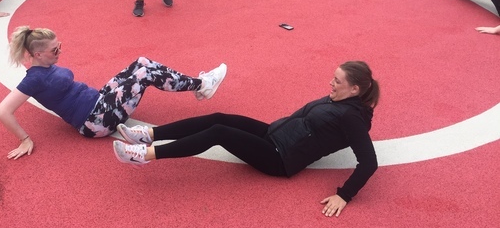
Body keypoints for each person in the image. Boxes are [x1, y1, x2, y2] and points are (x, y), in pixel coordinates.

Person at [113, 61, 380, 218]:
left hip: (280, 159)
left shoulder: (352, 119)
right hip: (274, 134)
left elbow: (368, 161)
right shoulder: (341, 99)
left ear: (354, 89)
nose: (330, 83)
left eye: (337, 81)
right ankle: (149, 135)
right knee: (219, 117)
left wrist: (344, 196)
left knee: (220, 133)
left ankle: (145, 156)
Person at [0, 26, 227, 160]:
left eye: (60, 46)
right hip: (94, 122)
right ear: (37, 55)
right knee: (145, 75)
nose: (60, 52)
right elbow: (3, 111)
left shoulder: (45, 64)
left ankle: (200, 86)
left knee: (142, 62)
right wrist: (25, 139)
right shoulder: (33, 79)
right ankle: (202, 85)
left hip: (99, 101)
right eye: (55, 50)